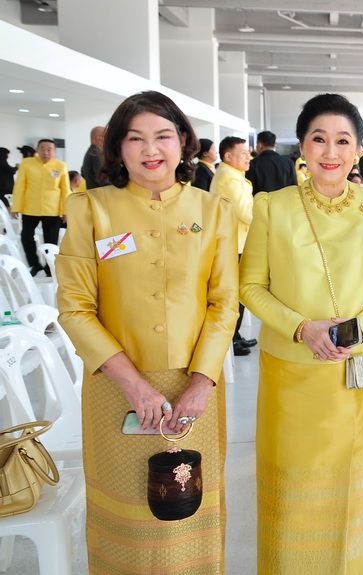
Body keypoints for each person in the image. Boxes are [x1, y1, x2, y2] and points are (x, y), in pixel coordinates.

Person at [56, 90, 238, 574]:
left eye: (163, 136)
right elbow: (74, 308)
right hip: (115, 386)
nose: (150, 149)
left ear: (183, 142)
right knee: (130, 506)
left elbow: (224, 303)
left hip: (195, 386)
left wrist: (201, 381)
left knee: (187, 498)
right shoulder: (91, 209)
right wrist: (134, 386)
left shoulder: (213, 210)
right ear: (117, 147)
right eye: (135, 138)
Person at [240, 93, 363, 572]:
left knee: (359, 475)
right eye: (319, 139)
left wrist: (354, 329)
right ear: (302, 147)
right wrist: (301, 328)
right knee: (298, 479)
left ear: (358, 150)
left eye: (343, 141)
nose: (331, 152)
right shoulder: (272, 207)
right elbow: (250, 285)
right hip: (294, 372)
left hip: (361, 367)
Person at [210, 136, 257, 357]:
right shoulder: (229, 179)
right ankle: (231, 339)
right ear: (228, 156)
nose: (249, 158)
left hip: (237, 243)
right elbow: (246, 212)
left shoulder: (232, 176)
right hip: (234, 245)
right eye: (243, 154)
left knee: (237, 295)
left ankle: (235, 336)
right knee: (236, 295)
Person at [12, 138, 70, 276]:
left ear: (54, 152)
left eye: (49, 149)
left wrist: (66, 211)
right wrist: (15, 207)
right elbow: (20, 186)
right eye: (42, 149)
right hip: (30, 208)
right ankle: (34, 264)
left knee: (51, 241)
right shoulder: (27, 163)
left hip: (52, 209)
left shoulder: (61, 166)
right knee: (26, 237)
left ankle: (50, 268)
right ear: (37, 150)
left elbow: (65, 190)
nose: (46, 152)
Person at [81, 125, 106, 190]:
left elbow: (83, 173)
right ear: (99, 139)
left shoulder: (91, 152)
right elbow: (102, 180)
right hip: (100, 194)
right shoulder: (96, 154)